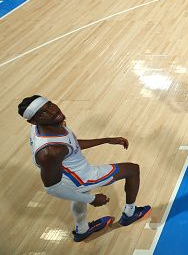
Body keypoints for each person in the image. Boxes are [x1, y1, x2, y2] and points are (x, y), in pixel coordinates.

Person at [18, 96, 152, 242]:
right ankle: (130, 214)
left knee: (78, 195)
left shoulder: (45, 126)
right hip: (82, 177)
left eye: (49, 105)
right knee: (132, 170)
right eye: (43, 113)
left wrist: (106, 140)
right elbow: (52, 189)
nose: (52, 111)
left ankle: (82, 231)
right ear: (33, 121)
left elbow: (72, 145)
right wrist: (92, 199)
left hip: (67, 174)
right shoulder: (51, 151)